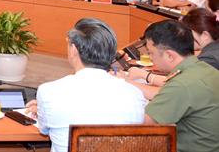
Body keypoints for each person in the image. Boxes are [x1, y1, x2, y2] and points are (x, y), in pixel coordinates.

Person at [25, 18, 145, 152]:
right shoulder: (135, 95)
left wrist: (43, 109)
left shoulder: (49, 92)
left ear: (73, 50)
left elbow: (44, 129)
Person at [142, 20, 219, 152]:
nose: (151, 58)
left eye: (151, 53)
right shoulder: (206, 69)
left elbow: (143, 125)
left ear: (169, 55)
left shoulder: (182, 84)